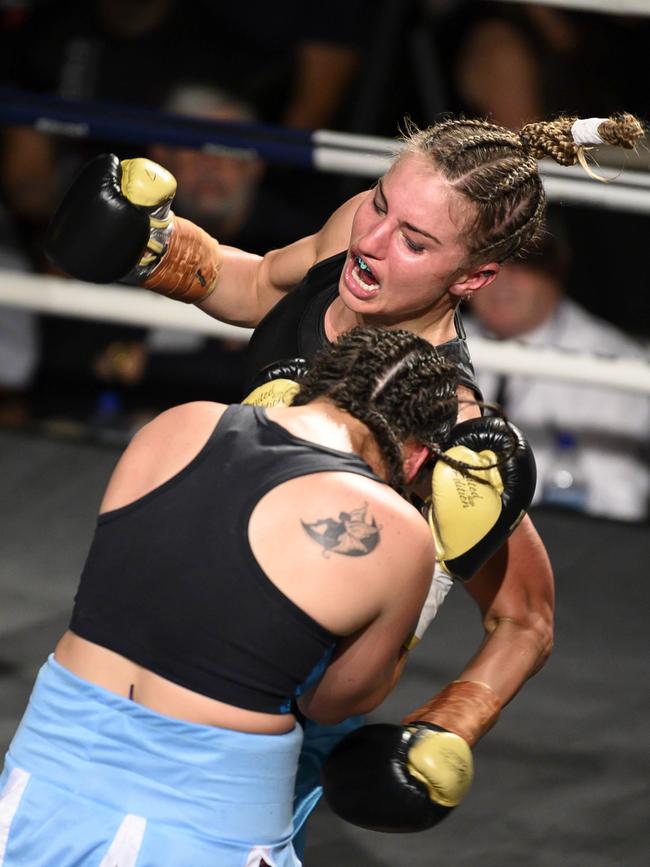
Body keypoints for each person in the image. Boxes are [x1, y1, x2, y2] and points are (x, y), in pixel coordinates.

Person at [45, 110, 643, 844]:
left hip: (270, 711)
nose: (373, 242)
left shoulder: (444, 426)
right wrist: (156, 249)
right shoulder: (356, 234)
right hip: (160, 639)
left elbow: (527, 615)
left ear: (475, 275)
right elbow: (260, 282)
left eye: (415, 241)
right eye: (381, 202)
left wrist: (450, 724)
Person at [0, 325, 490, 864]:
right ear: (418, 458)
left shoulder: (177, 423)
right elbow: (331, 702)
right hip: (206, 815)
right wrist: (437, 567)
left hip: (43, 776)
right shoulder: (397, 530)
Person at [464, 231, 650, 522]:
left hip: (562, 547)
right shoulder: (439, 340)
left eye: (521, 262)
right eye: (488, 262)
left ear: (556, 267)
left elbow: (619, 506)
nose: (501, 280)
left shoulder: (614, 365)